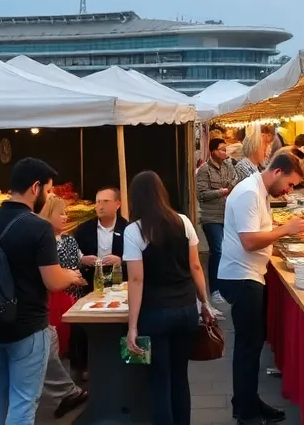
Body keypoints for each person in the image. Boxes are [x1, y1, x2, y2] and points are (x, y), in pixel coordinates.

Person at [0, 158, 79, 425]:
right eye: (49, 190)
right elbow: (53, 281)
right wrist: (69, 275)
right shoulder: (39, 228)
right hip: (28, 326)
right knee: (23, 401)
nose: (49, 196)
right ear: (35, 187)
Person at [217, 152, 304, 425]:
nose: (288, 191)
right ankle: (246, 411)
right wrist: (286, 229)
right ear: (278, 172)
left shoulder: (259, 191)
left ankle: (247, 401)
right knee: (248, 346)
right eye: (290, 184)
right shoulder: (249, 193)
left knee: (253, 344)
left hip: (249, 274)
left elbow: (257, 231)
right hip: (242, 277)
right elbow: (249, 241)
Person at [124, 170, 214, 425]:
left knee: (158, 382)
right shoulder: (183, 222)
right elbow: (195, 266)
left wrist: (132, 326)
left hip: (155, 314)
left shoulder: (134, 231)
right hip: (186, 309)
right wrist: (204, 302)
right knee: (179, 377)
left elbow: (136, 280)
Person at [35, 195, 89, 418]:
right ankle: (66, 392)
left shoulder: (69, 240)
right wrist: (70, 276)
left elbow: (79, 260)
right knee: (50, 347)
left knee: (57, 346)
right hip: (49, 302)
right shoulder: (42, 240)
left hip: (68, 299)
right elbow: (52, 276)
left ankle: (67, 390)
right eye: (61, 213)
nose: (66, 217)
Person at [69, 186, 127, 374]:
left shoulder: (127, 229)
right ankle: (84, 365)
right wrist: (83, 260)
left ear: (117, 204)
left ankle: (121, 363)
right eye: (97, 202)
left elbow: (138, 259)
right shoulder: (84, 229)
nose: (100, 206)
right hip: (90, 283)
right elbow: (73, 255)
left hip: (120, 285)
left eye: (105, 201)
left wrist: (121, 261)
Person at [196, 137, 237, 304]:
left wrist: (230, 188)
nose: (224, 153)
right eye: (221, 150)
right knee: (218, 250)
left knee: (228, 251)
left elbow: (234, 180)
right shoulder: (204, 170)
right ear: (213, 151)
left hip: (227, 215)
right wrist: (222, 191)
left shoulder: (228, 166)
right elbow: (201, 195)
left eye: (225, 150)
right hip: (210, 217)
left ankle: (225, 287)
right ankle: (214, 290)